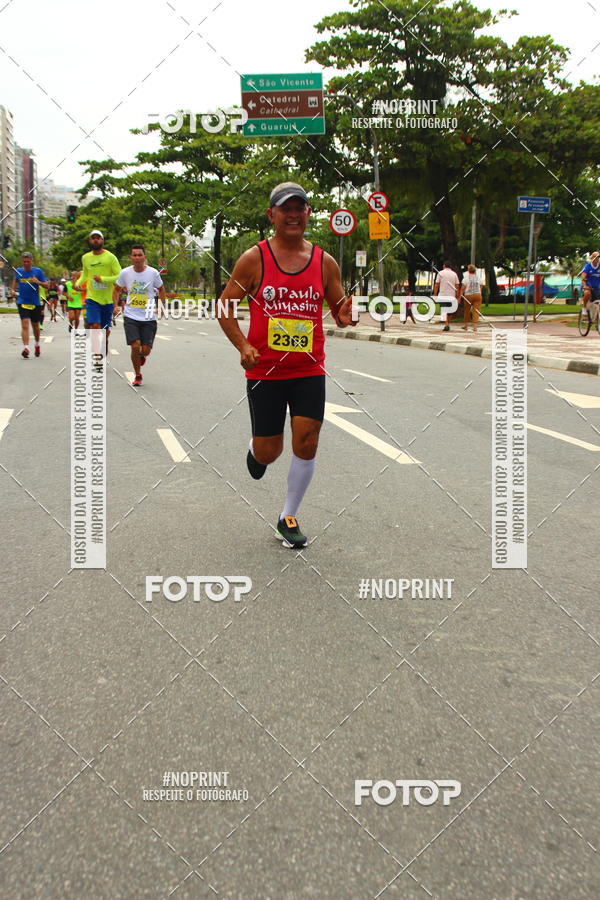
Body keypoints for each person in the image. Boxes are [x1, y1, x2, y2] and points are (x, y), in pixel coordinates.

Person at [218, 182, 356, 549]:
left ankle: (287, 516)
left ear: (309, 214)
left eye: (301, 208)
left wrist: (345, 314)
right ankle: (255, 450)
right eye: (285, 209)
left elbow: (340, 312)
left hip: (309, 369)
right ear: (272, 215)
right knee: (270, 451)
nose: (294, 214)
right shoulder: (254, 259)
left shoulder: (324, 262)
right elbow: (225, 305)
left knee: (307, 441)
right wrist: (243, 344)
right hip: (265, 371)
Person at [113, 243, 166, 386]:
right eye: (134, 255)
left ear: (144, 257)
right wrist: (115, 306)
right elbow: (116, 289)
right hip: (131, 315)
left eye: (139, 255)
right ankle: (138, 374)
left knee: (146, 350)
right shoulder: (125, 273)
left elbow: (161, 289)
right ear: (131, 257)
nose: (136, 257)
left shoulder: (153, 273)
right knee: (135, 346)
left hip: (148, 316)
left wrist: (161, 306)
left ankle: (141, 356)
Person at [76, 229, 121, 358]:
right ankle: (97, 354)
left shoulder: (110, 257)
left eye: (98, 238)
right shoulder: (85, 258)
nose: (95, 240)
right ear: (89, 241)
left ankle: (104, 342)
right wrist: (79, 282)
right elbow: (85, 274)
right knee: (95, 326)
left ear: (102, 240)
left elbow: (119, 276)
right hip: (92, 298)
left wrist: (103, 279)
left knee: (104, 331)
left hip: (107, 300)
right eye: (93, 238)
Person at [11, 252, 48, 358]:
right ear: (22, 262)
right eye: (24, 261)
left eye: (28, 261)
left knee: (35, 326)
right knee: (25, 323)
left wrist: (38, 282)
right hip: (22, 301)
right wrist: (13, 290)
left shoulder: (38, 271)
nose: (26, 263)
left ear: (31, 261)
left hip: (35, 302)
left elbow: (47, 285)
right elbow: (15, 280)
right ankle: (26, 348)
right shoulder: (19, 271)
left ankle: (37, 344)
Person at [433, 261, 459, 332]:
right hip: (451, 295)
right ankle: (447, 324)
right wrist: (457, 295)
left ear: (444, 266)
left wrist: (435, 294)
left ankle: (447, 324)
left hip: (443, 295)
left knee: (444, 310)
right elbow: (457, 286)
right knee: (450, 311)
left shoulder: (440, 273)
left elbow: (437, 284)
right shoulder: (454, 274)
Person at [460, 264, 484, 331]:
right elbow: (481, 286)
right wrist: (480, 294)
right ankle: (475, 327)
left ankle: (466, 325)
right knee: (476, 310)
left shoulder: (466, 279)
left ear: (468, 270)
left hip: (468, 295)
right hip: (477, 295)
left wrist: (460, 296)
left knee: (467, 310)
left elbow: (462, 288)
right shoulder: (478, 278)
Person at [581, 251, 600, 321]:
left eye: (598, 257)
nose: (597, 258)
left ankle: (597, 319)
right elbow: (583, 277)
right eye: (596, 257)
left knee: (597, 303)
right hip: (588, 286)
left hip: (597, 288)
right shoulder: (588, 266)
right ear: (592, 258)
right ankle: (584, 308)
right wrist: (585, 285)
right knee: (587, 293)